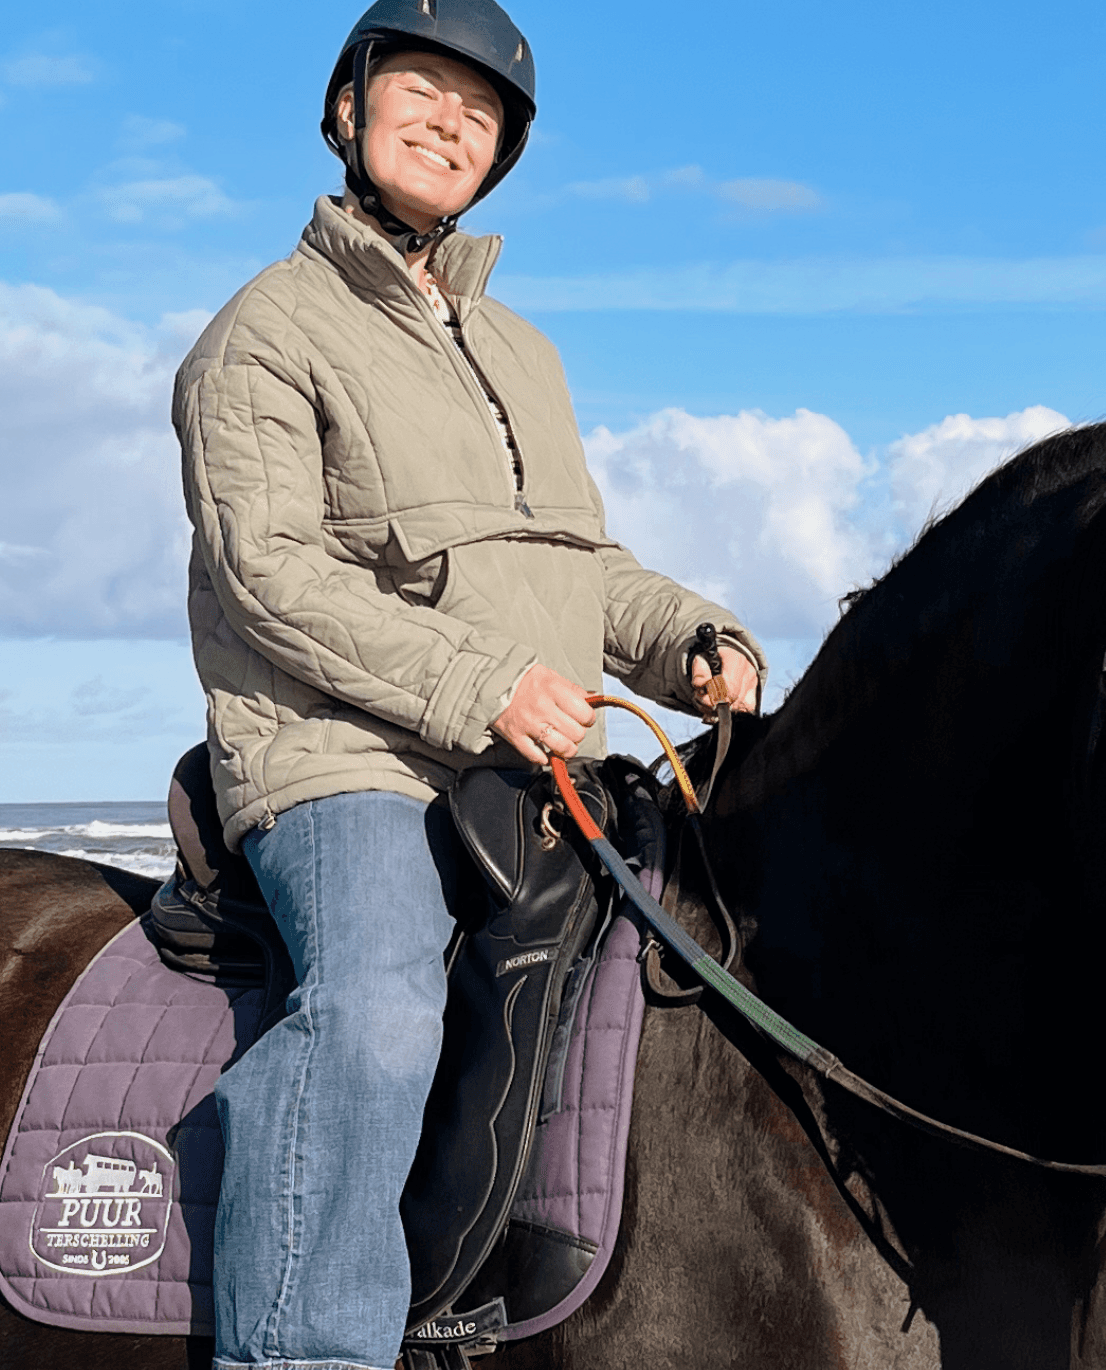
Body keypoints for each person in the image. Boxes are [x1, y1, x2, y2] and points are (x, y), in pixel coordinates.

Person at [170, 4, 760, 1367]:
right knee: (377, 1006)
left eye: (479, 113)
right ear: (348, 112)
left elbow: (578, 568)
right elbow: (270, 576)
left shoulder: (523, 352)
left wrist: (691, 640)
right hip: (342, 758)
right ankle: (301, 1348)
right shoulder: (260, 336)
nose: (449, 122)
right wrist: (484, 682)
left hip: (524, 756)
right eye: (420, 92)